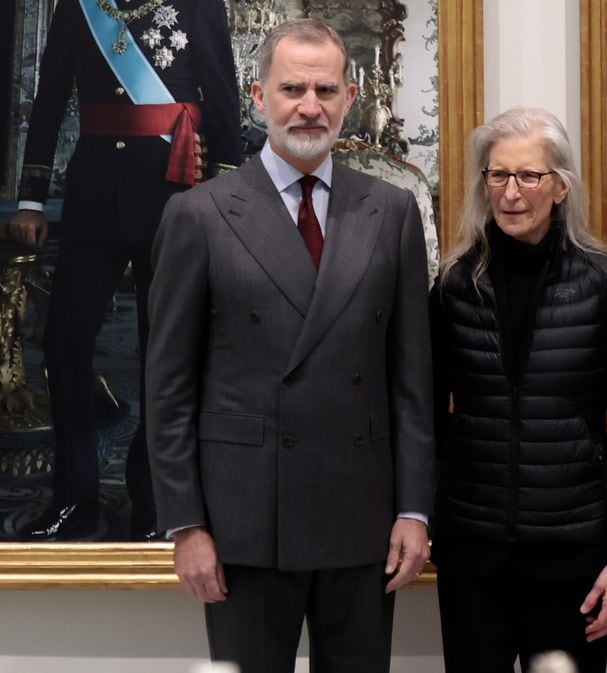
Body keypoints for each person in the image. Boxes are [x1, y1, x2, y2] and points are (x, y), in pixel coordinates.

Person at [145, 19, 433, 673]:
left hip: (361, 520)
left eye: (326, 89)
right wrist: (185, 524)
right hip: (242, 522)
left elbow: (412, 380)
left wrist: (415, 509)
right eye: (293, 88)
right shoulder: (199, 214)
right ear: (257, 96)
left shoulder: (391, 211)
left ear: (350, 98)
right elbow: (167, 387)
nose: (310, 106)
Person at [429, 106, 607, 673]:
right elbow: (428, 418)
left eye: (529, 176)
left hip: (573, 553)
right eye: (498, 175)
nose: (511, 192)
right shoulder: (453, 284)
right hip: (472, 553)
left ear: (559, 186)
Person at [10, 0, 242, 540]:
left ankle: (158, 501)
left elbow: (222, 94)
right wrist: (31, 198)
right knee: (64, 341)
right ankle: (73, 500)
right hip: (92, 197)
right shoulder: (81, 8)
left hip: (174, 196)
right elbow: (48, 100)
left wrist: (228, 198)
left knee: (165, 353)